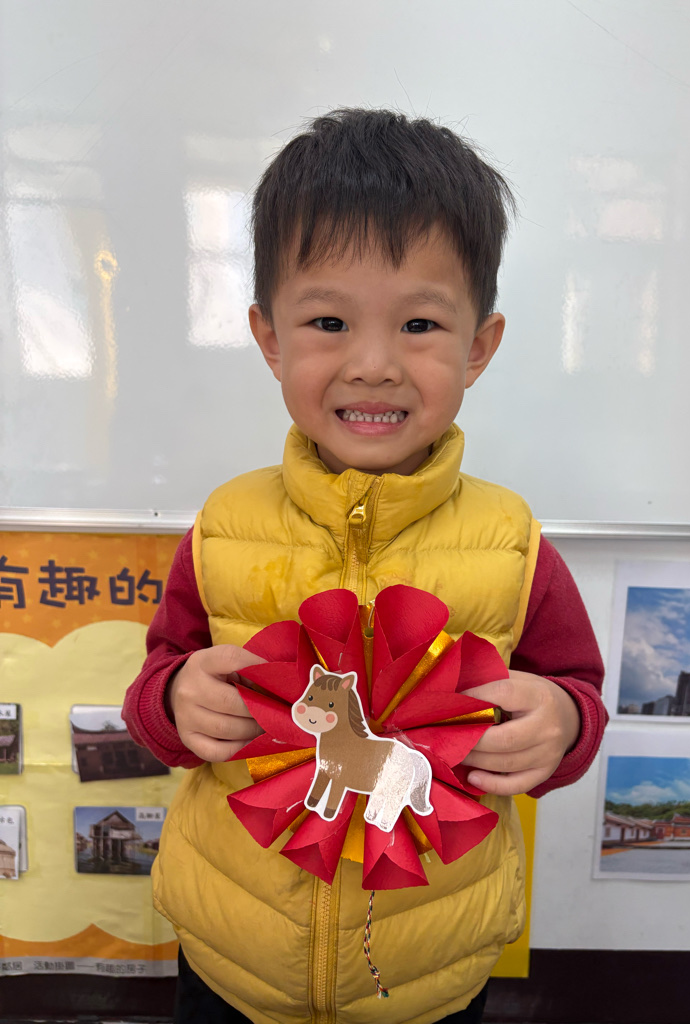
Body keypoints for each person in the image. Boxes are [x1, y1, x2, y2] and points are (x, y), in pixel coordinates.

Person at [123, 108, 606, 1024]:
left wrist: (564, 724)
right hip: (233, 953)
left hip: (428, 966)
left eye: (420, 323)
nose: (374, 364)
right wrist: (175, 701)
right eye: (329, 322)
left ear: (478, 346)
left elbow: (576, 691)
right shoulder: (224, 525)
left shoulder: (513, 543)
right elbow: (156, 684)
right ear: (270, 338)